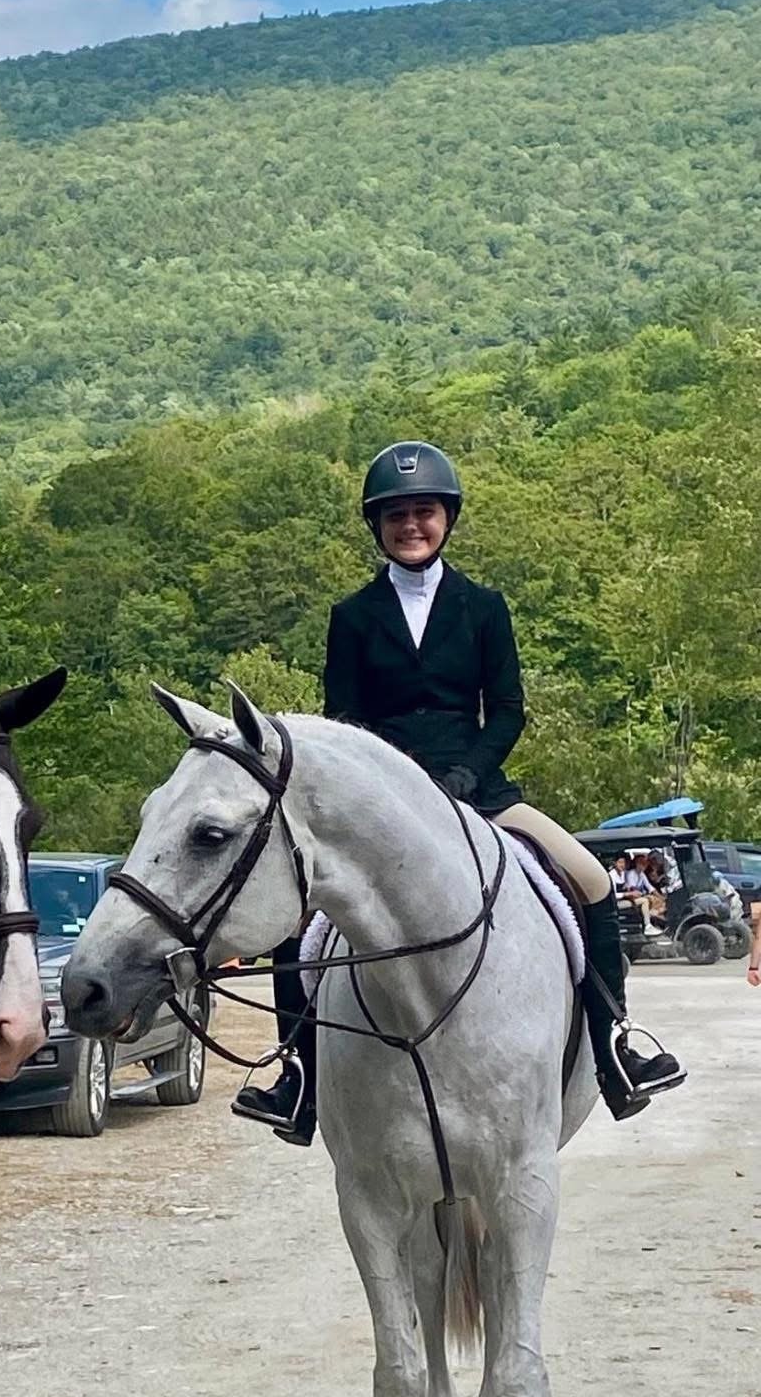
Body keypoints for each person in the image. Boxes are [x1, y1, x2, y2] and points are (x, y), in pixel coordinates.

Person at [233, 441, 683, 1144]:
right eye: (397, 515)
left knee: (592, 881)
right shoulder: (353, 616)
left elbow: (507, 708)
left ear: (446, 519)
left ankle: (614, 1044)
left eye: (424, 512)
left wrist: (466, 775)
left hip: (479, 789)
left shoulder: (482, 607)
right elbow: (343, 720)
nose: (412, 525)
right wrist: (396, 784)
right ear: (377, 526)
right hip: (382, 804)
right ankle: (299, 1077)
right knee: (301, 924)